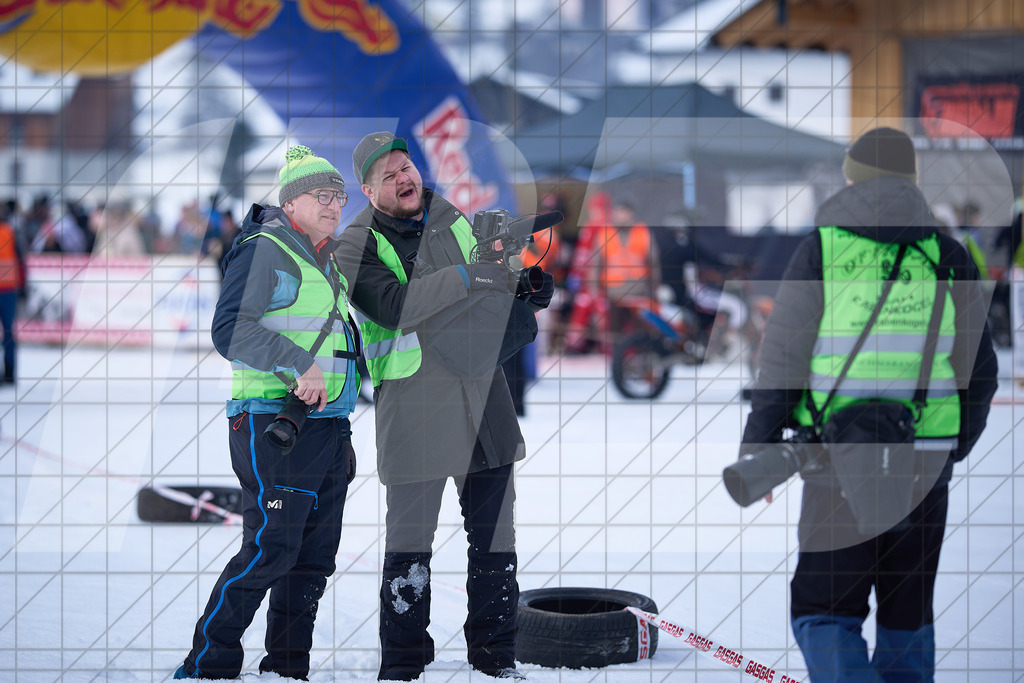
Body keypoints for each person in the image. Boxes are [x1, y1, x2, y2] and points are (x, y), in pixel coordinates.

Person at [740, 127, 998, 681]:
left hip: (835, 456)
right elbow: (980, 373)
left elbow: (781, 361)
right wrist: (950, 448)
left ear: (851, 179)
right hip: (923, 462)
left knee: (824, 607)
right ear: (911, 181)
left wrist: (758, 448)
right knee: (908, 610)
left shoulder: (821, 250)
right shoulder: (949, 256)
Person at [334, 131, 554, 681]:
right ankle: (404, 665)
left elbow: (486, 288)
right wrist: (467, 275)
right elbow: (393, 306)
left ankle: (495, 660)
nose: (403, 179)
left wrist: (521, 290)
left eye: (405, 167)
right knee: (410, 547)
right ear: (368, 191)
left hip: (482, 399)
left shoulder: (451, 216)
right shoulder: (354, 244)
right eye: (388, 176)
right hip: (416, 409)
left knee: (495, 541)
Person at [174, 145, 360, 680]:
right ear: (292, 201)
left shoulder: (322, 256)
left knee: (313, 556)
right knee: (271, 548)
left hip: (325, 424)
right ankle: (208, 664)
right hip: (271, 421)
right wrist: (297, 363)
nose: (334, 205)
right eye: (322, 196)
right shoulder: (266, 249)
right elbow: (230, 329)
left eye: (339, 196)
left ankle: (286, 666)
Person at [0, 212, 25, 385]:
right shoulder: (10, 231)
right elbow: (21, 258)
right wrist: (23, 285)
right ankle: (9, 373)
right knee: (9, 332)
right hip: (9, 288)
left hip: (8, 288)